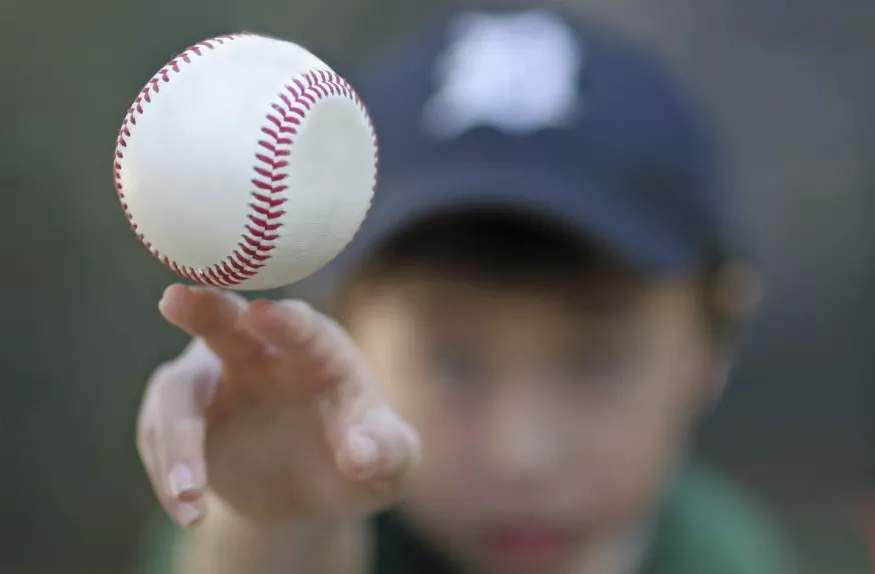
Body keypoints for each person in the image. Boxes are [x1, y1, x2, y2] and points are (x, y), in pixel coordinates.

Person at [132, 8, 797, 574]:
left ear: (711, 344)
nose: (522, 456)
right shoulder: (273, 501)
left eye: (598, 361)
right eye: (452, 362)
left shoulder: (722, 555)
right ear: (345, 332)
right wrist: (274, 530)